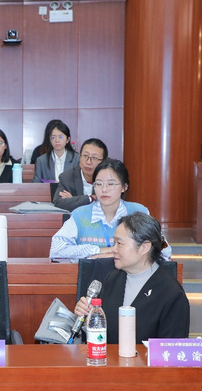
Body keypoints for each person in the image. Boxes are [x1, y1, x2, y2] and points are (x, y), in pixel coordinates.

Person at [73, 213, 190, 344]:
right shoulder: (112, 279)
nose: (113, 249)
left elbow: (172, 349)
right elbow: (106, 336)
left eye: (119, 243)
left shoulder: (171, 293)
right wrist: (89, 319)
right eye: (114, 243)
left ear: (144, 247)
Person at [50, 159, 170, 261]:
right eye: (99, 184)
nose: (104, 189)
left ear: (124, 187)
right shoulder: (80, 215)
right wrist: (99, 250)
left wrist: (116, 253)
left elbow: (164, 250)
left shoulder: (139, 212)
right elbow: (56, 250)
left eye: (111, 184)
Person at [52, 138, 108, 211]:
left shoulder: (109, 179)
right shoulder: (67, 177)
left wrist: (73, 200)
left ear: (103, 161)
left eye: (94, 158)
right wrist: (91, 198)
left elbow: (109, 203)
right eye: (85, 156)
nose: (88, 162)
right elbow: (58, 202)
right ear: (80, 157)